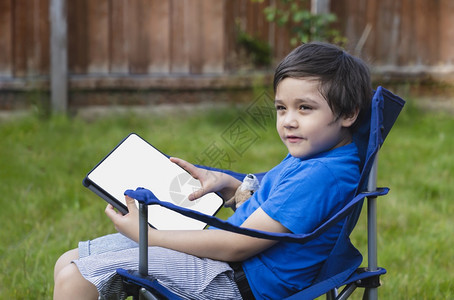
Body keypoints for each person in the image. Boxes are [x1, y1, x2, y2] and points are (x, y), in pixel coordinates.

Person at [53, 41, 372, 300]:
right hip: (224, 261)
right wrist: (228, 186)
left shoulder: (321, 175)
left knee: (76, 277)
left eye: (305, 108)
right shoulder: (318, 156)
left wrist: (149, 237)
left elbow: (240, 244)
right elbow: (271, 208)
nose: (288, 120)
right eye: (281, 108)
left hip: (233, 280)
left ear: (347, 113)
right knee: (68, 260)